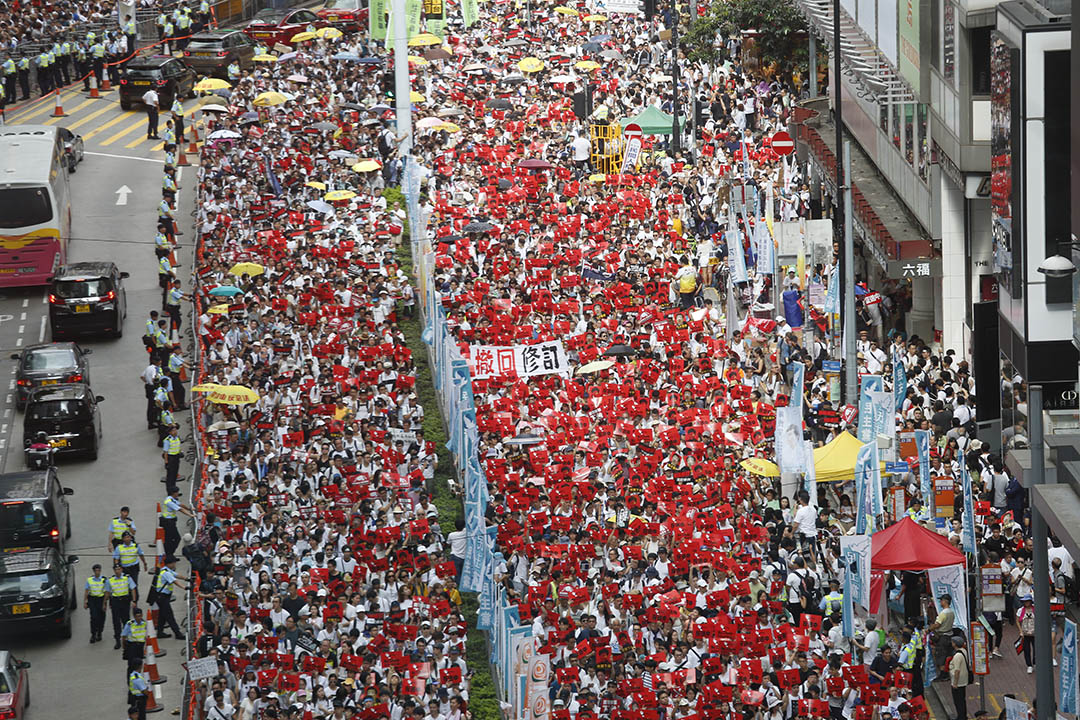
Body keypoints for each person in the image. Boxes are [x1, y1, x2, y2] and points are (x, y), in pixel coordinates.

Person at [152, 555, 187, 639]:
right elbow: (175, 581)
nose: (175, 564)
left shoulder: (167, 570)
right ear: (170, 564)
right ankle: (178, 633)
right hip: (162, 597)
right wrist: (184, 587)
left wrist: (186, 578)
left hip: (162, 597)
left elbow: (177, 575)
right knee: (169, 616)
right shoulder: (166, 573)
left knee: (162, 615)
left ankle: (160, 632)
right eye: (174, 563)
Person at [107, 563, 137, 650]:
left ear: (121, 569)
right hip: (115, 602)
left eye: (119, 569)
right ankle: (117, 640)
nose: (117, 571)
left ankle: (126, 638)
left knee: (126, 620)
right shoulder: (110, 580)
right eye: (116, 569)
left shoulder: (127, 578)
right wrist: (105, 603)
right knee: (116, 622)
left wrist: (134, 600)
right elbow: (108, 592)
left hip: (125, 601)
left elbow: (133, 589)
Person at [159, 488, 194, 557]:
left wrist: (189, 509)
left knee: (170, 539)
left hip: (171, 522)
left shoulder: (171, 499)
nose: (178, 494)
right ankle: (169, 554)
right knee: (174, 538)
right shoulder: (169, 502)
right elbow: (180, 509)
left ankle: (170, 554)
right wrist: (190, 515)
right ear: (173, 493)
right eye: (177, 492)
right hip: (168, 522)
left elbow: (180, 505)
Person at [113, 530, 148, 597]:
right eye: (126, 537)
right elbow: (116, 559)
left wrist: (145, 563)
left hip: (134, 567)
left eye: (129, 537)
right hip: (124, 568)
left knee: (134, 584)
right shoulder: (119, 548)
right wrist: (117, 569)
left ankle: (135, 601)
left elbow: (141, 555)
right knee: (126, 584)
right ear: (123, 539)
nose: (127, 538)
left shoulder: (135, 546)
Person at [84, 563, 107, 643]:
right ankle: (93, 634)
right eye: (96, 571)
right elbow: (87, 591)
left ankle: (99, 632)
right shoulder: (89, 580)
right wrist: (85, 602)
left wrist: (104, 603)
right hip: (92, 600)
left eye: (98, 571)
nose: (97, 572)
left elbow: (106, 593)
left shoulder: (104, 580)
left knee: (101, 617)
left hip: (101, 600)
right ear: (93, 571)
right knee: (93, 617)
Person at [948, 635, 970, 720]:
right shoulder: (964, 651)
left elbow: (957, 671)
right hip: (963, 680)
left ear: (955, 644)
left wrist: (955, 683)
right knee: (962, 700)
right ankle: (963, 716)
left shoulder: (957, 656)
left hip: (958, 682)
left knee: (958, 701)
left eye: (953, 642)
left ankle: (961, 717)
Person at [163, 424, 183, 492]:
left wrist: (180, 452)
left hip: (176, 457)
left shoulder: (177, 438)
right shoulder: (167, 440)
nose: (175, 431)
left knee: (175, 475)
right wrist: (166, 462)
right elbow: (165, 452)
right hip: (171, 458)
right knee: (170, 476)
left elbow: (178, 446)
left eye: (175, 430)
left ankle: (174, 490)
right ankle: (170, 491)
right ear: (170, 432)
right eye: (173, 430)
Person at [1017, 595, 1036, 672]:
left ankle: (1035, 662)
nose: (1026, 603)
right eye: (1025, 601)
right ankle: (1029, 665)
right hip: (1025, 634)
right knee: (1026, 650)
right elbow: (1017, 620)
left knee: (1036, 649)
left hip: (1035, 633)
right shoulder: (1020, 610)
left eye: (1028, 601)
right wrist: (1020, 631)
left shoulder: (1035, 609)